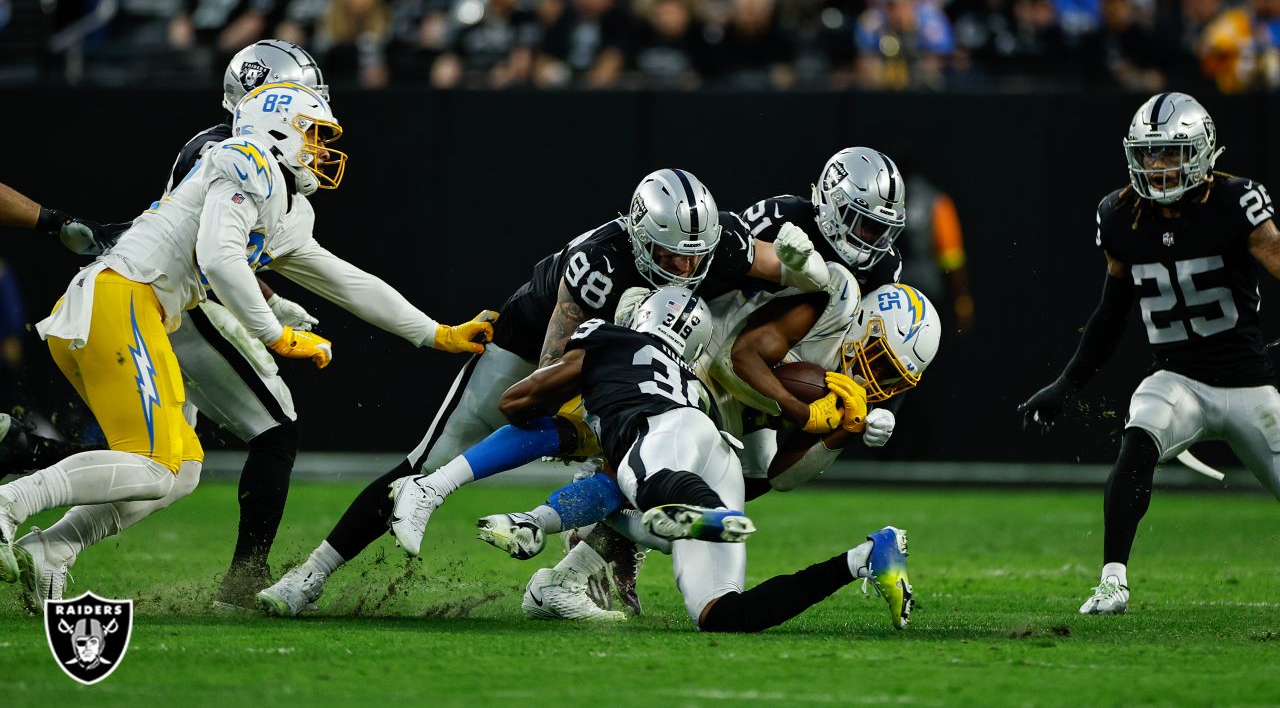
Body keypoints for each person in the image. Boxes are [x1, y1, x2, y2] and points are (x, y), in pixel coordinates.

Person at [0, 82, 496, 610]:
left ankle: (54, 548)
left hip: (131, 309)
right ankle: (9, 500)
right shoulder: (246, 157)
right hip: (123, 298)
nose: (323, 151)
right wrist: (275, 333)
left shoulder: (284, 200)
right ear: (278, 127)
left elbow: (343, 278)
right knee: (155, 463)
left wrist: (433, 332)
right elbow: (218, 257)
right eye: (315, 135)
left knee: (180, 472)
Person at [257, 168, 830, 616]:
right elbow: (554, 373)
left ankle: (572, 575)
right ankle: (311, 574)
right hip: (535, 348)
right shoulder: (597, 264)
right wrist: (605, 418)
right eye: (669, 254)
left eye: (694, 257)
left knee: (644, 458)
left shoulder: (719, 243)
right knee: (435, 454)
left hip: (629, 355)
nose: (683, 267)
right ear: (637, 235)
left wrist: (812, 271)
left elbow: (792, 273)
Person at [498, 287, 913, 631]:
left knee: (635, 487)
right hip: (715, 444)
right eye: (879, 360)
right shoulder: (826, 303)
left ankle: (704, 519)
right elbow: (743, 355)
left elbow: (779, 474)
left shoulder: (607, 351)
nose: (879, 378)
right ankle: (859, 558)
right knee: (703, 587)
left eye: (893, 376)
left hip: (691, 429)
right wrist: (803, 411)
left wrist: (842, 431)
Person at [1019, 92, 1280, 615]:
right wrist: (1065, 386)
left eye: (1170, 153)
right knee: (1139, 434)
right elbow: (1110, 316)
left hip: (1250, 384)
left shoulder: (1237, 202)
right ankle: (1113, 581)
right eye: (1148, 153)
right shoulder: (1119, 215)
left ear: (1203, 151)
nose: (1157, 166)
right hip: (1178, 379)